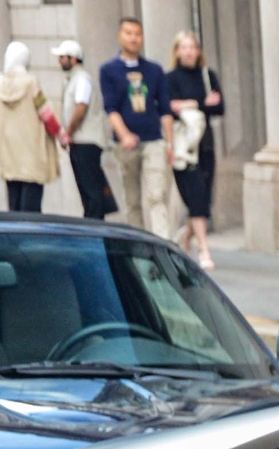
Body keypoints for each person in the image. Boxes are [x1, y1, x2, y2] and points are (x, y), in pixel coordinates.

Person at [104, 17, 178, 242]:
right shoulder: (109, 70)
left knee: (157, 195)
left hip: (153, 139)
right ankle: (137, 244)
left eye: (137, 33)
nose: (133, 38)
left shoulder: (154, 70)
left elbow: (165, 109)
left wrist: (169, 142)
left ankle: (162, 243)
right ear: (120, 36)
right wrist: (124, 134)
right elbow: (111, 108)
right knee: (132, 199)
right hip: (125, 144)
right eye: (128, 33)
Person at [165, 31, 222, 269]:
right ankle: (204, 249)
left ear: (198, 51)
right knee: (195, 195)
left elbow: (219, 107)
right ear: (177, 51)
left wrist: (189, 103)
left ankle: (187, 235)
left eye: (193, 47)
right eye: (184, 47)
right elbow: (169, 108)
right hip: (183, 145)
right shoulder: (170, 78)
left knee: (204, 197)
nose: (189, 51)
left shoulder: (208, 76)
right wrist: (201, 103)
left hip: (204, 142)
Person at [0, 42, 59, 213]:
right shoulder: (31, 83)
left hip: (8, 152)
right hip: (31, 152)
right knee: (31, 206)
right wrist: (62, 137)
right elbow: (46, 114)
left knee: (14, 203)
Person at [55, 42, 116, 219]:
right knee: (86, 188)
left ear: (73, 59)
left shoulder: (81, 79)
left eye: (62, 57)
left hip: (86, 142)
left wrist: (68, 133)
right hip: (80, 141)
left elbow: (81, 107)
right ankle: (92, 220)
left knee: (91, 189)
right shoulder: (73, 79)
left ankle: (95, 223)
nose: (59, 61)